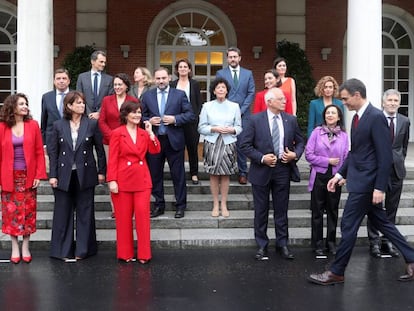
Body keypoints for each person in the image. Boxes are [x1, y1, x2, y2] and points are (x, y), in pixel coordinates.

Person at [308, 78, 414, 285]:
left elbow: (385, 156)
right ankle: (412, 258)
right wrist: (339, 175)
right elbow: (355, 153)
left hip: (367, 185)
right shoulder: (357, 118)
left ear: (357, 95)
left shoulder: (375, 117)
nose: (343, 103)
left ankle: (337, 272)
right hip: (360, 181)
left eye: (345, 99)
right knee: (383, 223)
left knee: (348, 225)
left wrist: (379, 187)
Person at [239, 87, 304, 261]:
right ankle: (262, 245)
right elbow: (244, 145)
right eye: (281, 99)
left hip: (283, 169)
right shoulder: (254, 120)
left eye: (285, 98)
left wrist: (295, 155)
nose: (285, 101)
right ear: (269, 102)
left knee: (281, 210)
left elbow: (300, 141)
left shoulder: (290, 119)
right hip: (261, 170)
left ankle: (282, 244)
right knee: (261, 210)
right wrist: (261, 158)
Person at [48, 91, 106, 261]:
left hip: (85, 173)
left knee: (85, 212)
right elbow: (53, 152)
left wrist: (102, 171)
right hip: (63, 174)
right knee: (62, 212)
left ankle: (83, 250)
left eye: (82, 102)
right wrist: (52, 175)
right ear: (69, 106)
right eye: (78, 103)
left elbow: (100, 151)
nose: (82, 105)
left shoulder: (91, 124)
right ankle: (62, 251)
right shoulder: (58, 125)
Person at [107, 101, 160, 263]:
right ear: (125, 115)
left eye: (139, 112)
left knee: (143, 219)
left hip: (142, 180)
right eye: (134, 112)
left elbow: (155, 150)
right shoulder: (117, 133)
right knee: (123, 219)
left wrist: (151, 134)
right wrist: (112, 180)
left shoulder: (144, 133)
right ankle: (125, 253)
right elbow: (113, 158)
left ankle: (144, 254)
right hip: (123, 180)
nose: (137, 115)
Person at [141, 67, 195, 219]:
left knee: (178, 175)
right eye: (158, 78)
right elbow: (140, 116)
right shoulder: (147, 96)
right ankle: (159, 205)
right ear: (154, 80)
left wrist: (175, 119)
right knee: (155, 174)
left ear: (169, 78)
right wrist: (148, 120)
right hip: (154, 140)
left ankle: (180, 206)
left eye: (163, 78)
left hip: (174, 140)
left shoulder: (179, 95)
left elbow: (190, 114)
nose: (161, 81)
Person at [0, 93, 47, 264]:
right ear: (12, 106)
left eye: (26, 103)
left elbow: (39, 152)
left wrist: (39, 175)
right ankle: (14, 247)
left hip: (28, 176)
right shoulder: (2, 127)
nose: (25, 106)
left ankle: (25, 246)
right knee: (10, 213)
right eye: (21, 104)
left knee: (28, 213)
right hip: (9, 177)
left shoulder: (33, 125)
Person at [366, 89, 410, 258]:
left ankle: (387, 241)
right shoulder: (375, 119)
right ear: (383, 102)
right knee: (375, 206)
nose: (392, 103)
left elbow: (403, 147)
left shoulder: (405, 121)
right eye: (389, 100)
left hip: (396, 171)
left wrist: (397, 160)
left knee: (392, 208)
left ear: (399, 103)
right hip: (377, 170)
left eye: (395, 100)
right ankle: (374, 242)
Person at [305, 104, 349, 256]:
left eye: (333, 113)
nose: (330, 115)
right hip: (319, 176)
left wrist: (344, 176)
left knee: (333, 211)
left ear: (338, 117)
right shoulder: (316, 132)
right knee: (317, 212)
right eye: (328, 113)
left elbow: (346, 158)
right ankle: (317, 244)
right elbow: (308, 155)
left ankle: (331, 243)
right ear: (324, 116)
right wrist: (327, 161)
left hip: (335, 177)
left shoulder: (344, 135)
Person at [198, 78, 242, 217]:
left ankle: (224, 204)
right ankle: (215, 204)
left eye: (223, 87)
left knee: (225, 174)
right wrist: (214, 128)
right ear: (214, 91)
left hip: (228, 142)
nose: (221, 90)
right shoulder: (207, 106)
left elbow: (239, 127)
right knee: (213, 174)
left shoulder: (234, 106)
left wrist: (231, 130)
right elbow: (201, 127)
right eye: (218, 88)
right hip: (212, 142)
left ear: (227, 90)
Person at [99, 73, 138, 218]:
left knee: (129, 172)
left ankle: (130, 206)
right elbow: (102, 121)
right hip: (110, 143)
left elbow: (136, 120)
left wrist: (124, 137)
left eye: (120, 84)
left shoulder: (133, 101)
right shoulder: (107, 100)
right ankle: (115, 208)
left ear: (126, 86)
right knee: (113, 173)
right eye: (115, 85)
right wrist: (114, 137)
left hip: (129, 142)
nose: (117, 87)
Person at [216, 47, 255, 185]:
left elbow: (251, 93)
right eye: (230, 57)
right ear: (227, 59)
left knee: (242, 143)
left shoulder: (248, 73)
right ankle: (225, 171)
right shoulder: (220, 73)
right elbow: (219, 91)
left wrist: (241, 110)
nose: (233, 59)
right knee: (225, 142)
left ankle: (243, 172)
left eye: (235, 56)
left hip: (243, 115)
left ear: (239, 58)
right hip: (225, 113)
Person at [170, 58, 203, 185]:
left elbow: (198, 103)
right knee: (177, 149)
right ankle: (179, 174)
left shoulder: (194, 84)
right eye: (180, 67)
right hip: (176, 121)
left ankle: (194, 173)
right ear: (177, 70)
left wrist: (194, 117)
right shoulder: (173, 84)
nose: (183, 69)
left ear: (189, 69)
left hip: (191, 122)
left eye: (185, 67)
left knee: (192, 148)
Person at [76, 50, 113, 120]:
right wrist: (88, 113)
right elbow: (79, 96)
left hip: (103, 118)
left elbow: (110, 98)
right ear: (92, 61)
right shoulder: (82, 77)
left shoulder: (109, 79)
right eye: (101, 62)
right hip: (85, 117)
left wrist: (99, 113)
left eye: (104, 62)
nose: (103, 64)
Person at [41, 68, 71, 146]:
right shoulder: (46, 97)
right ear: (54, 81)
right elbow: (44, 121)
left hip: (71, 138)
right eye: (58, 78)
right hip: (52, 140)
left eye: (64, 78)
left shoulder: (75, 96)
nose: (61, 81)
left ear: (68, 81)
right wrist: (44, 143)